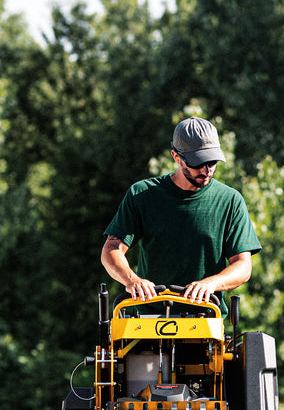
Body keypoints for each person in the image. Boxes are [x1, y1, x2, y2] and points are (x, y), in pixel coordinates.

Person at [101, 117, 261, 310]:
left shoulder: (230, 201)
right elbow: (111, 249)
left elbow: (243, 266)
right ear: (176, 156)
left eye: (212, 161)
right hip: (147, 322)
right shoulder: (142, 194)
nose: (207, 170)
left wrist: (211, 283)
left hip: (205, 321)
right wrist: (131, 280)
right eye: (198, 162)